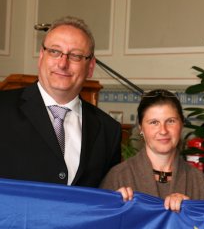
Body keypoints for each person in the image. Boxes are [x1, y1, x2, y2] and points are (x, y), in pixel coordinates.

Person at [0, 16, 121, 187]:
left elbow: (110, 198)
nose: (63, 64)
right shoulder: (3, 108)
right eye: (55, 52)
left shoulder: (109, 130)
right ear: (41, 57)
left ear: (91, 67)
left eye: (76, 56)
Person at [101, 89, 204, 211]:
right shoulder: (118, 177)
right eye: (154, 122)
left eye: (171, 121)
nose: (163, 130)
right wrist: (114, 207)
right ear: (141, 129)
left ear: (181, 124)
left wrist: (190, 211)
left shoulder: (199, 182)